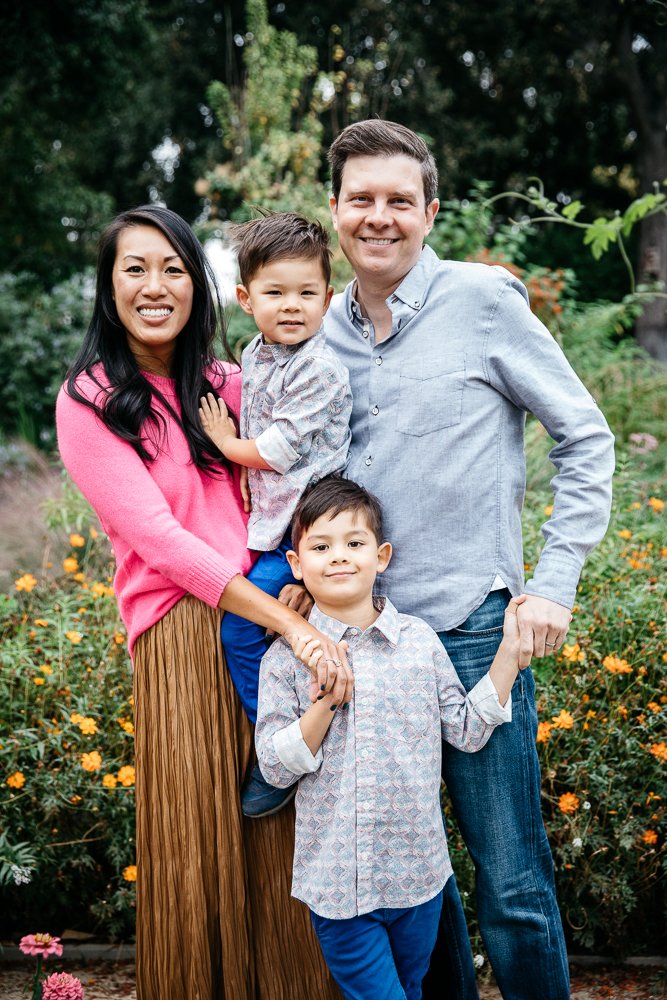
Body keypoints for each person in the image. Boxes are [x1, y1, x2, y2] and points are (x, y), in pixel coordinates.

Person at [322, 120, 615, 1000]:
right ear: (335, 210)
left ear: (429, 211)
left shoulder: (483, 302)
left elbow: (586, 438)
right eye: (361, 199)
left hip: (473, 631)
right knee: (411, 882)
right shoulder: (315, 334)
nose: (379, 217)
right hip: (368, 649)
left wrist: (553, 584)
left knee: (513, 883)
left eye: (398, 202)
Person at [55, 205, 350, 1000]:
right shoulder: (90, 400)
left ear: (201, 283)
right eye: (134, 268)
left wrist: (302, 570)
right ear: (107, 286)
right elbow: (157, 537)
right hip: (185, 633)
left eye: (173, 268)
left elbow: (304, 469)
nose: (155, 286)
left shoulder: (234, 382)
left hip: (273, 611)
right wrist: (282, 617)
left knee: (285, 834)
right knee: (202, 840)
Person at [255, 474, 524, 1000]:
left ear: (380, 557)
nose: (338, 557)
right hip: (337, 887)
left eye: (354, 544)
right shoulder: (284, 660)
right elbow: (274, 766)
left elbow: (466, 731)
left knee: (413, 989)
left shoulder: (419, 643)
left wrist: (510, 653)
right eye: (321, 546)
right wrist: (326, 703)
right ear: (296, 564)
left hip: (417, 879)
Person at [198, 212, 352, 817]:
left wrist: (221, 438)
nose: (292, 306)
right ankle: (304, 734)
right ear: (245, 298)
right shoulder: (254, 354)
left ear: (327, 299)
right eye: (275, 293)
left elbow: (270, 450)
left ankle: (281, 755)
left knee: (242, 627)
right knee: (270, 638)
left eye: (307, 293)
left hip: (313, 530)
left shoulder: (320, 367)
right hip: (274, 529)